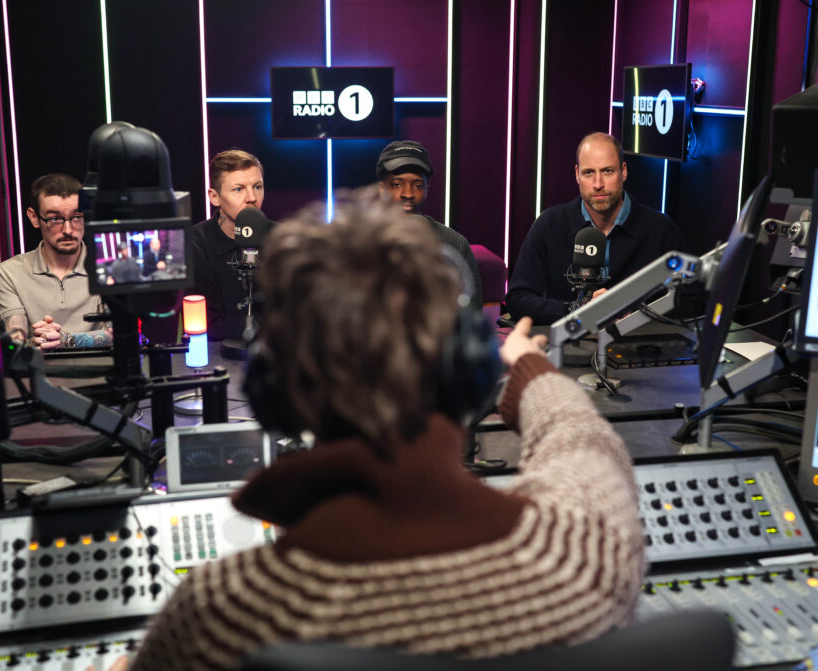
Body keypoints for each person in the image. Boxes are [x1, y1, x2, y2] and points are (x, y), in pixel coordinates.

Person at [128, 191, 644, 671]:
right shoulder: (574, 557)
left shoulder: (219, 613)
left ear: (280, 388)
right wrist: (528, 370)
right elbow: (587, 449)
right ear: (465, 369)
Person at [505, 132, 684, 325]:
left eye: (607, 171)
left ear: (623, 171)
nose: (598, 184)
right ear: (577, 174)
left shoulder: (660, 229)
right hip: (569, 340)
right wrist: (578, 311)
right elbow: (517, 299)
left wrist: (635, 313)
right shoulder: (549, 225)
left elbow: (692, 299)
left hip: (634, 340)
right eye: (589, 173)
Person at [0, 173, 111, 349]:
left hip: (101, 365)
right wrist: (34, 342)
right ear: (34, 217)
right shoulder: (9, 272)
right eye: (55, 219)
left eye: (77, 217)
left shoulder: (107, 264)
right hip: (40, 364)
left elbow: (119, 333)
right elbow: (15, 340)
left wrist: (65, 340)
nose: (68, 230)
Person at [376, 140, 483, 303]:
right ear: (382, 189)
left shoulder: (454, 244)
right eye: (397, 184)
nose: (408, 194)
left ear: (427, 189)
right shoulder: (363, 244)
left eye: (417, 185)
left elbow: (472, 312)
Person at [190, 149, 276, 341]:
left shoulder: (281, 238)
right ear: (214, 197)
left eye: (257, 187)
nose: (252, 197)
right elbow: (209, 324)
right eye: (239, 189)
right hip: (217, 352)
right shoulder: (195, 244)